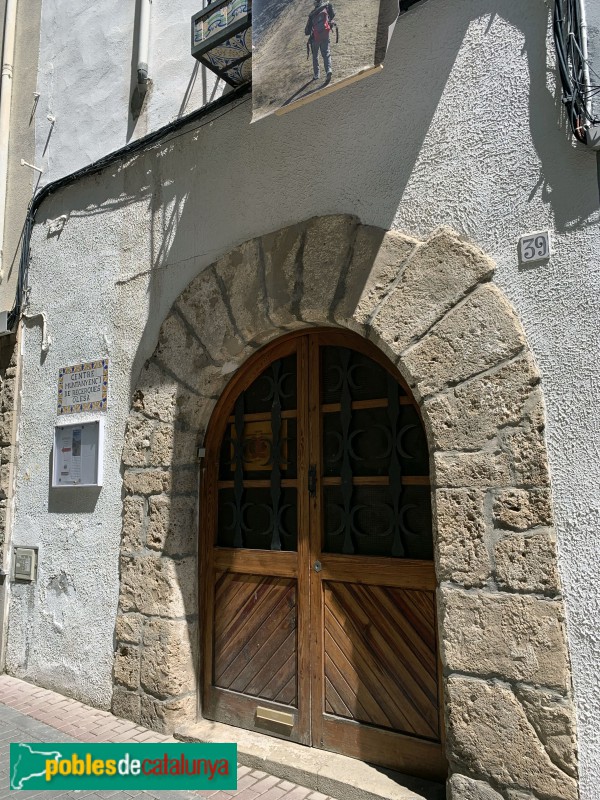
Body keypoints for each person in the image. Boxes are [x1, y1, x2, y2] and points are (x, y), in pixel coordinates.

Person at [305, 0, 335, 83]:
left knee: (315, 56)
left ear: (315, 3)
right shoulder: (327, 6)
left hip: (315, 38)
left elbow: (307, 31)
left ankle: (316, 75)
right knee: (326, 53)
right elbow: (333, 15)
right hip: (325, 34)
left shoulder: (312, 14)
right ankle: (328, 70)